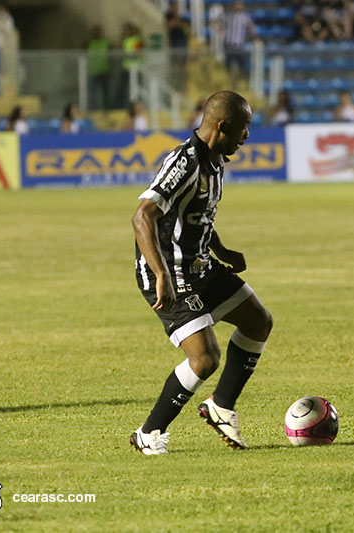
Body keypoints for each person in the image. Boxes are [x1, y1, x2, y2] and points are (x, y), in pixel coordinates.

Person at [130, 91, 273, 455]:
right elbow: (142, 216)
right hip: (169, 273)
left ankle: (221, 406)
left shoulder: (215, 161)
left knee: (258, 321)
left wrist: (221, 250)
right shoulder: (186, 161)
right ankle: (149, 433)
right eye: (244, 127)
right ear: (222, 125)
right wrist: (160, 273)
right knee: (205, 358)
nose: (247, 135)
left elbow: (197, 217)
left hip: (200, 265)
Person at [223, 1, 256, 76]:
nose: (238, 6)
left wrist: (253, 37)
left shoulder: (245, 17)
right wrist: (222, 33)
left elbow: (251, 28)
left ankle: (240, 82)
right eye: (237, 5)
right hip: (229, 46)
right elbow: (218, 23)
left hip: (239, 47)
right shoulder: (229, 16)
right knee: (227, 68)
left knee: (241, 68)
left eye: (240, 5)